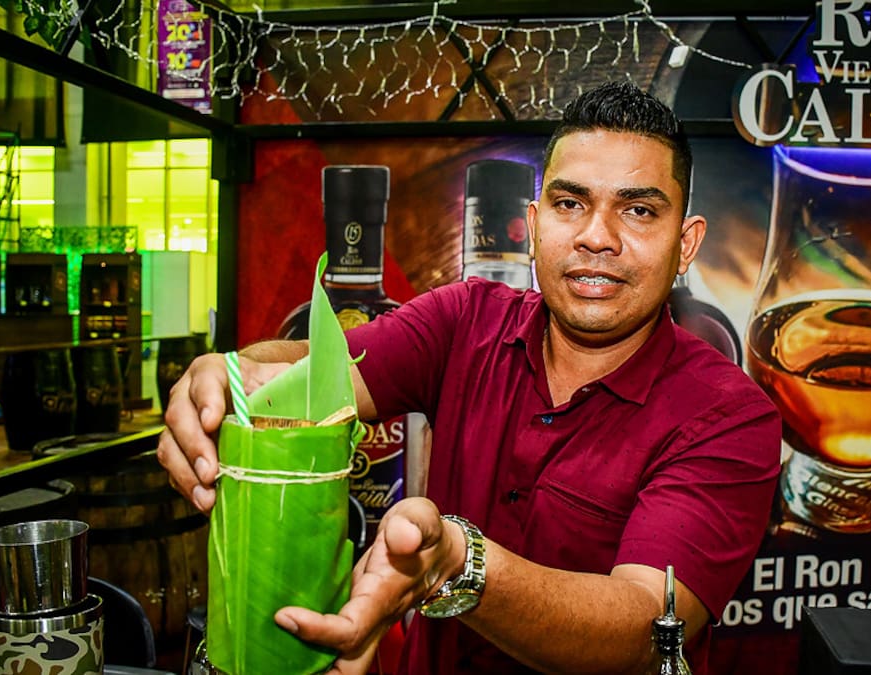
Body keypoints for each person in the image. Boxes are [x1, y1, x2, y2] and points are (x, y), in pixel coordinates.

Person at [158, 81, 781, 674]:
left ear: (686, 243)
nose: (597, 237)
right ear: (533, 226)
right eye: (570, 204)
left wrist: (459, 563)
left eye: (638, 210)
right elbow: (310, 373)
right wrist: (229, 376)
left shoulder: (728, 414)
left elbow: (646, 626)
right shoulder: (465, 320)